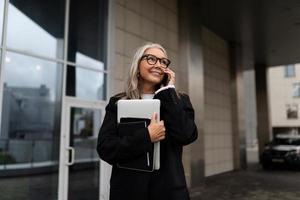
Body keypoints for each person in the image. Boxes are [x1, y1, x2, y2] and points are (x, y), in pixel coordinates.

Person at [97, 43, 198, 200]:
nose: (158, 64)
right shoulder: (118, 102)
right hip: (129, 191)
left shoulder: (178, 100)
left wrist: (167, 92)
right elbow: (106, 148)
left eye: (163, 61)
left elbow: (186, 135)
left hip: (169, 192)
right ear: (137, 66)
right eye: (151, 59)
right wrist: (146, 136)